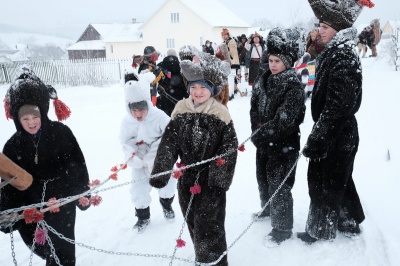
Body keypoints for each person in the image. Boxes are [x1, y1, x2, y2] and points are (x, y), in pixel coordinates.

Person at [149, 51, 237, 266]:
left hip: (210, 179)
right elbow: (169, 142)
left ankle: (214, 262)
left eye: (203, 87)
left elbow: (229, 148)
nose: (198, 92)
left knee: (210, 223)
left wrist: (218, 178)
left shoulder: (220, 114)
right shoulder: (181, 111)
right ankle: (202, 255)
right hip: (187, 178)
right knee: (192, 220)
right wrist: (162, 170)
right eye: (194, 87)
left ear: (212, 90)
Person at [0, 66, 90, 265]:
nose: (31, 122)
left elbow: (77, 165)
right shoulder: (13, 146)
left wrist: (81, 192)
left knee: (63, 253)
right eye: (25, 118)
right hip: (29, 206)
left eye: (35, 117)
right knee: (43, 248)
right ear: (16, 118)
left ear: (43, 112)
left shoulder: (61, 133)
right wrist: (7, 211)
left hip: (61, 202)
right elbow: (8, 180)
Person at [298, 0, 371, 244]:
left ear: (338, 29)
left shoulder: (343, 54)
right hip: (337, 131)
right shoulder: (337, 50)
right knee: (340, 176)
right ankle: (349, 220)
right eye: (319, 25)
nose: (319, 31)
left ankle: (319, 230)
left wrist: (319, 138)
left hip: (337, 132)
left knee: (323, 181)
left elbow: (338, 105)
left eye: (325, 26)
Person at [250, 27, 306, 246]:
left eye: (277, 61)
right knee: (262, 177)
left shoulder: (292, 85)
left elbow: (286, 119)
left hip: (284, 144)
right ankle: (268, 209)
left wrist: (262, 133)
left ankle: (282, 228)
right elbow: (253, 108)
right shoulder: (262, 80)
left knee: (279, 184)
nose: (273, 65)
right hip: (264, 142)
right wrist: (256, 128)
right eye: (271, 60)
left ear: (287, 63)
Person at [119, 69, 177, 233]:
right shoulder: (127, 121)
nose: (137, 114)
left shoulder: (159, 116)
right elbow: (125, 140)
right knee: (138, 189)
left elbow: (171, 135)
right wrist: (132, 154)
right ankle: (143, 217)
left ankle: (167, 205)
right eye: (133, 109)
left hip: (160, 158)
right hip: (139, 158)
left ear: (147, 103)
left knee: (167, 185)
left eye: (141, 109)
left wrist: (157, 153)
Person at [156, 52, 189, 116]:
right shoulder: (181, 66)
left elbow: (156, 82)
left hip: (164, 98)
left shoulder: (160, 66)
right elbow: (185, 84)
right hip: (178, 100)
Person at [221, 28, 240, 99]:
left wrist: (228, 57)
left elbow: (232, 52)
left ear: (228, 35)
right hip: (227, 62)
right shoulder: (225, 42)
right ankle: (230, 92)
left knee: (231, 78)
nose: (224, 36)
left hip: (232, 62)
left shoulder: (231, 41)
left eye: (225, 35)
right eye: (223, 35)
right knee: (229, 79)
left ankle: (230, 94)